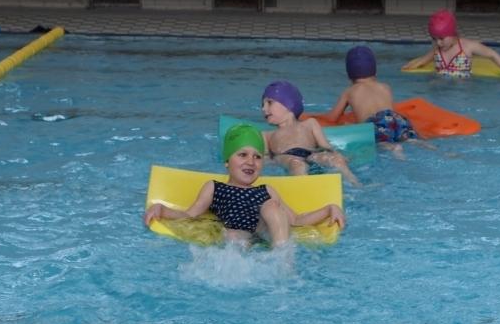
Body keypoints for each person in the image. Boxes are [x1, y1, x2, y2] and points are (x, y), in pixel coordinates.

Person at [143, 123, 345, 246]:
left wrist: (329, 208)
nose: (250, 162)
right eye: (242, 155)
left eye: (257, 157)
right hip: (238, 235)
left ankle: (283, 260)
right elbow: (190, 215)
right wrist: (162, 209)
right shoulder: (215, 187)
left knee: (271, 206)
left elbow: (295, 220)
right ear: (227, 162)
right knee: (233, 237)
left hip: (266, 231)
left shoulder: (266, 190)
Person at [323, 46, 428, 159]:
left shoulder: (350, 91)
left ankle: (393, 148)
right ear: (375, 71)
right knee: (410, 139)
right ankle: (427, 146)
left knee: (382, 142)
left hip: (375, 123)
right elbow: (389, 114)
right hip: (396, 119)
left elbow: (332, 118)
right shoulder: (385, 87)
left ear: (349, 75)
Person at [260, 80, 362, 187]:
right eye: (263, 104)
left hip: (311, 155)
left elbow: (325, 145)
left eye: (269, 103)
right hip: (286, 157)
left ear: (288, 103)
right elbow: (266, 159)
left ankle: (355, 184)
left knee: (336, 159)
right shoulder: (267, 135)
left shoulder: (310, 123)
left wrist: (336, 154)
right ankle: (304, 190)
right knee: (297, 164)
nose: (263, 108)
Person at [402, 9, 500, 78]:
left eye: (441, 38)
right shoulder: (437, 49)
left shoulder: (467, 46)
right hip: (439, 89)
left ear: (452, 33)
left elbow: (492, 54)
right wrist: (408, 67)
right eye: (434, 39)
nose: (438, 43)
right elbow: (423, 60)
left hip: (461, 93)